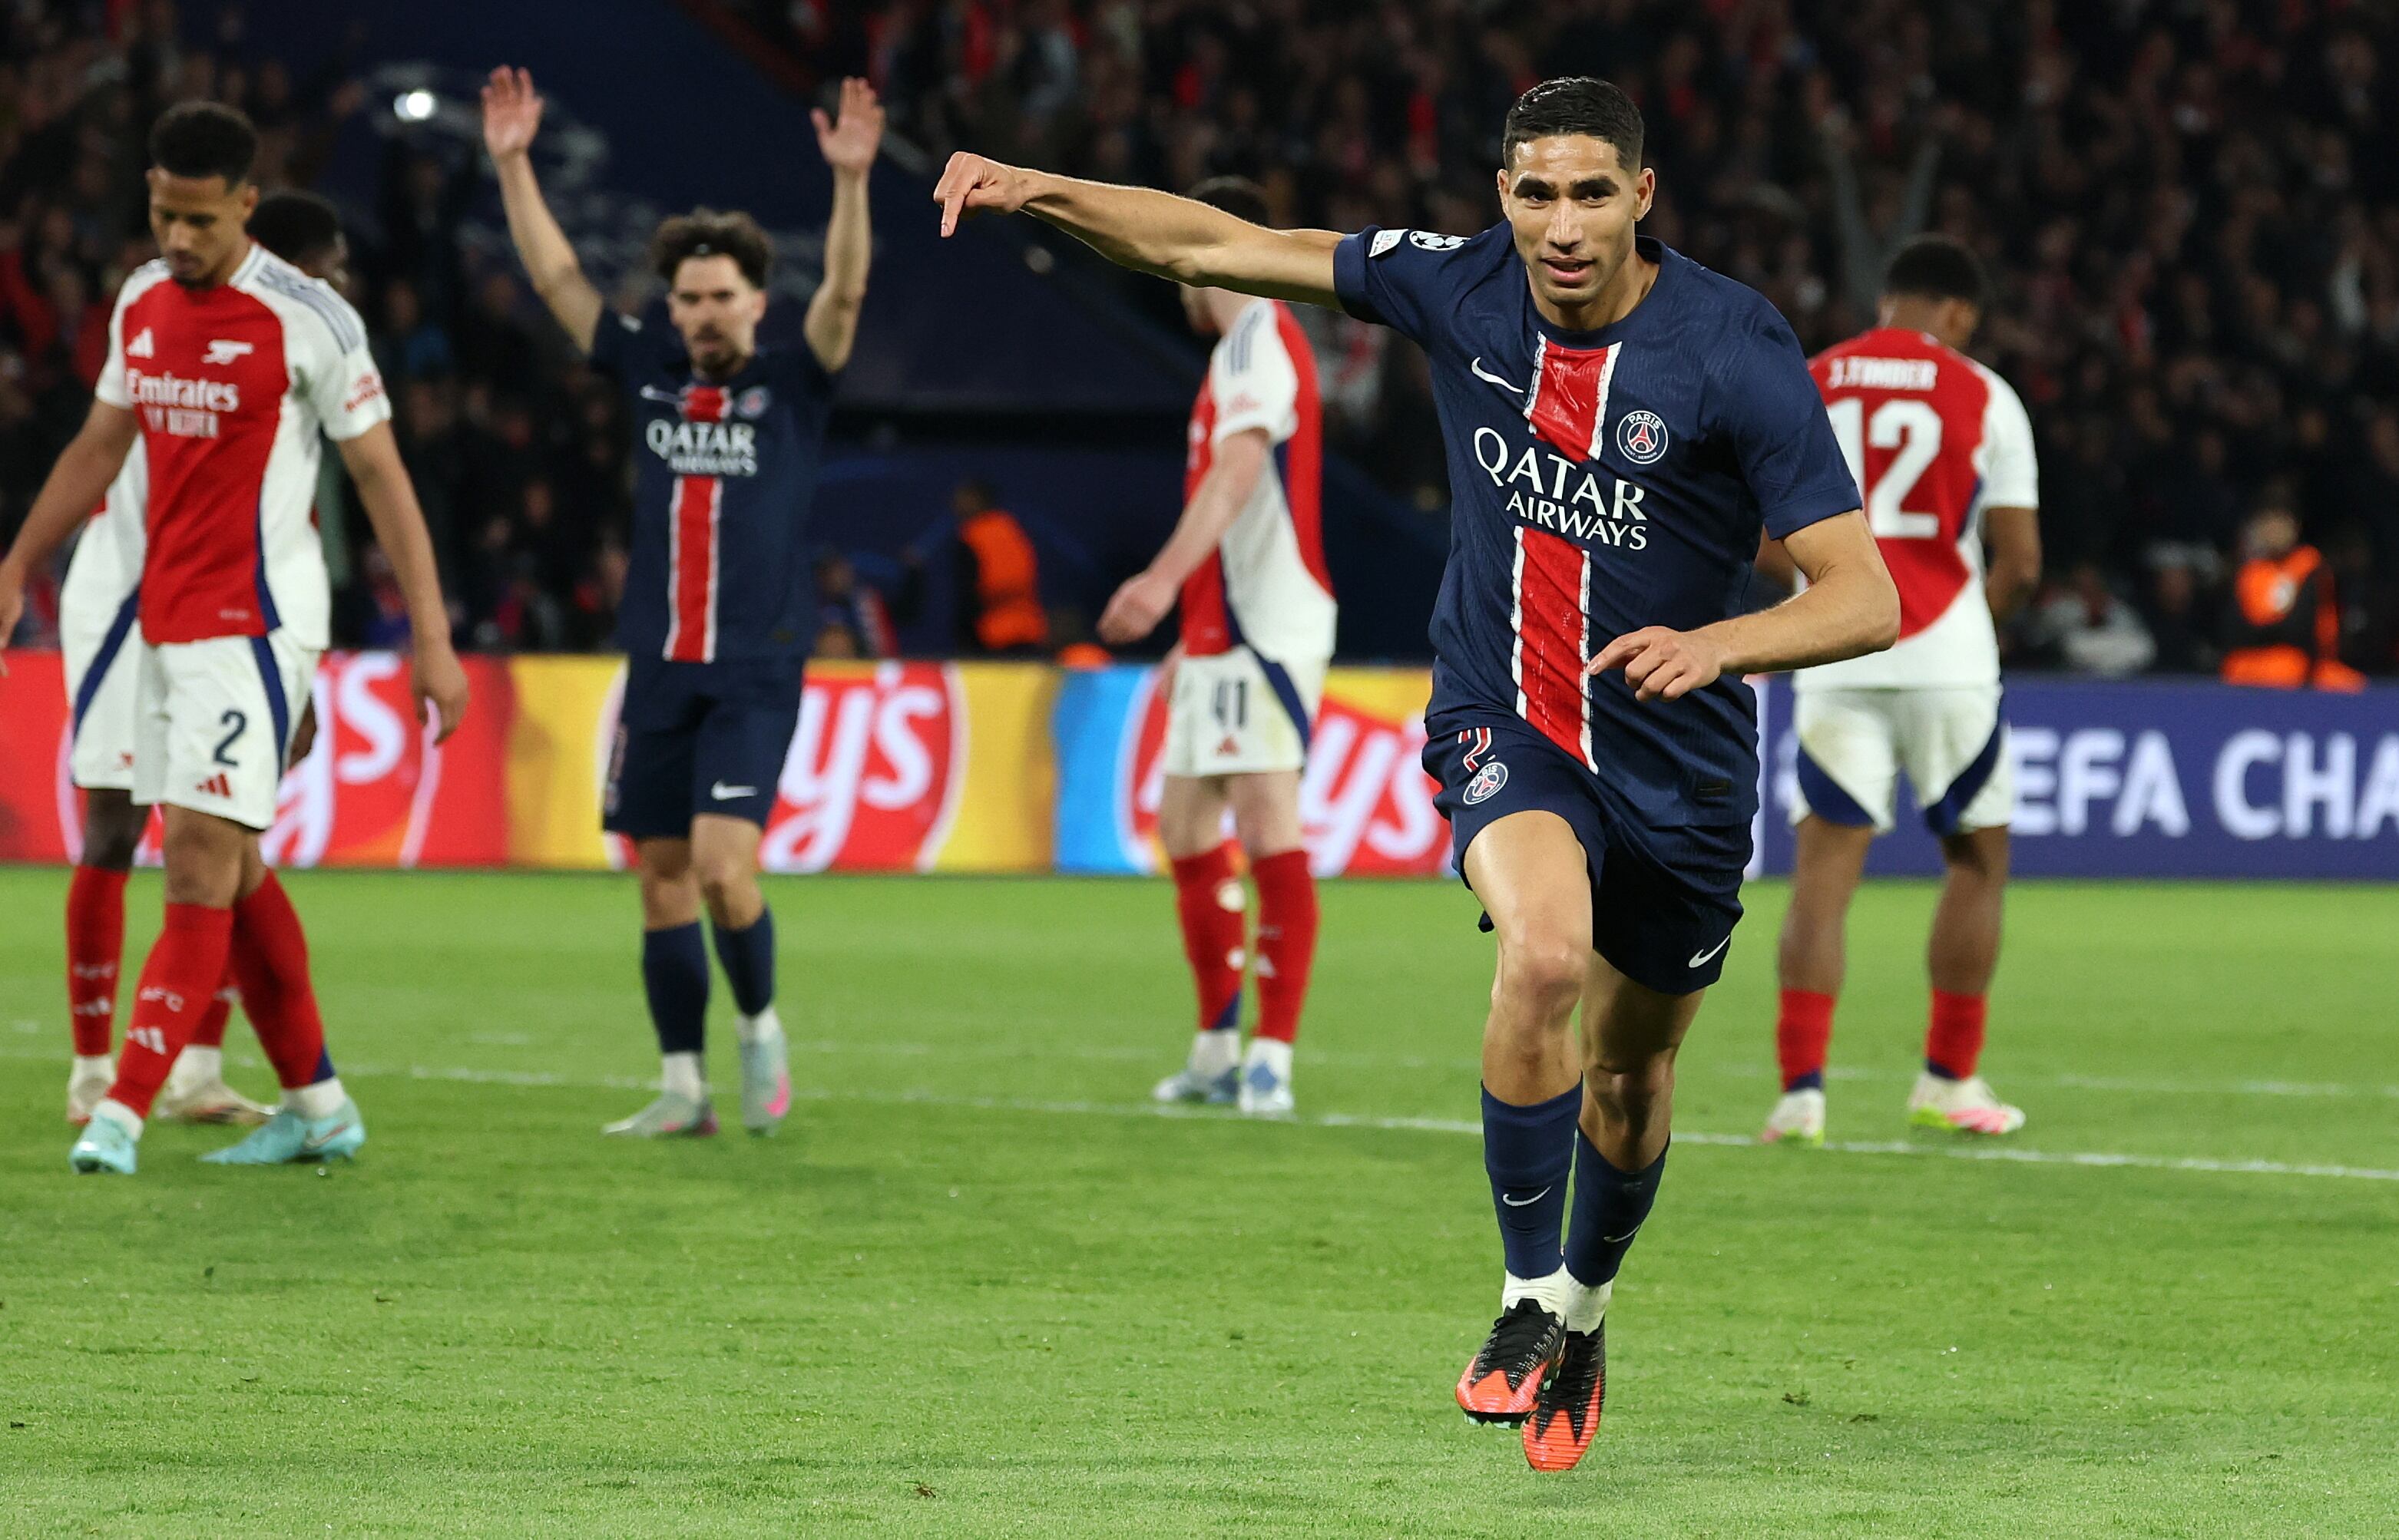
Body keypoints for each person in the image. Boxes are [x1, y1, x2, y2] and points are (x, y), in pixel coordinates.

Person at [933, 75, 1896, 1472]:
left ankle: (1584, 1311)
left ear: (1640, 197)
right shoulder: (1454, 285)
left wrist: (1718, 644)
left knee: (1631, 1078)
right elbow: (1213, 244)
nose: (1560, 225)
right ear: (1501, 196)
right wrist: (1037, 188)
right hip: (1506, 717)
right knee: (1541, 956)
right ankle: (1525, 1295)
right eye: (1534, 193)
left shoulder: (1733, 347)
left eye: (1590, 194)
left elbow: (1862, 594)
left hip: (1677, 760)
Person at [0, 103, 469, 1175]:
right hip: (160, 621)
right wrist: (17, 562)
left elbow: (383, 477)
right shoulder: (141, 299)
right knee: (236, 862)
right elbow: (99, 443)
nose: (178, 237)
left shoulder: (311, 320)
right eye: (163, 214)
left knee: (197, 864)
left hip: (254, 627)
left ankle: (121, 1110)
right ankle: (320, 1103)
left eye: (200, 220)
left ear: (247, 205)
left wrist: (432, 638)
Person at [481, 68, 882, 1136]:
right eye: (689, 299)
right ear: (674, 307)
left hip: (755, 665)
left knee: (720, 866)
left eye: (721, 297)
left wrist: (850, 183)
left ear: (757, 302)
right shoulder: (648, 368)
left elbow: (845, 296)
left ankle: (759, 1029)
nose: (704, 314)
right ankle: (682, 1087)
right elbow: (558, 276)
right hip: (659, 661)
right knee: (659, 876)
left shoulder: (795, 381)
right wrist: (513, 164)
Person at [53, 187, 362, 1131]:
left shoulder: (301, 353)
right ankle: (94, 1072)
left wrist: (297, 664)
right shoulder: (170, 316)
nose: (337, 289)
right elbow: (104, 446)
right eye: (329, 270)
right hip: (128, 599)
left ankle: (200, 1068)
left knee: (222, 842)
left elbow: (287, 523)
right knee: (116, 827)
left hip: (237, 619)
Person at [1755, 235, 2043, 1148]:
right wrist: (1970, 631)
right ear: (1957, 312)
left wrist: (1819, 607)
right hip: (1948, 657)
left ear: (1887, 300)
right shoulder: (1984, 393)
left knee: (1820, 878)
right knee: (1975, 862)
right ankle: (1948, 1080)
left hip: (1834, 652)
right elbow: (2020, 563)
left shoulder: (1808, 380)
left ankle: (1800, 1096)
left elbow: (1763, 541)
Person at [1095, 175, 1331, 1118]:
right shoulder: (1241, 349)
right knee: (1187, 828)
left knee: (1268, 828)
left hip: (1261, 632)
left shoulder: (1259, 335)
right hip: (1220, 634)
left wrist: (1158, 581)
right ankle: (1214, 1046)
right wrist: (1187, 631)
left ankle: (1270, 1057)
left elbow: (1235, 475)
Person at [2220, 501, 2366, 690]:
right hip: (2251, 664)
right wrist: (2269, 630)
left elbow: (2301, 628)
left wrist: (2263, 628)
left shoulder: (2310, 566)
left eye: (2281, 523)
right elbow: (2233, 630)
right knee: (2234, 669)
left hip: (2305, 663)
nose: (2274, 530)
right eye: (2268, 523)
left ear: (2295, 527)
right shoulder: (2250, 572)